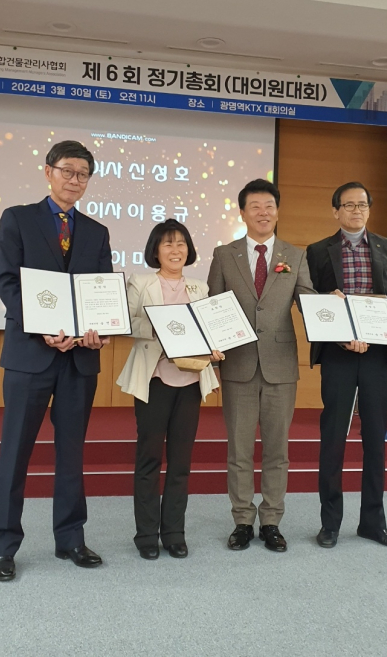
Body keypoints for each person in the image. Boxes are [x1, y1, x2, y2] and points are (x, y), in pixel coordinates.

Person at [0, 140, 112, 581]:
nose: (74, 180)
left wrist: (99, 331)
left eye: (83, 174)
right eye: (67, 171)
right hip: (30, 355)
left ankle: (71, 538)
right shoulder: (18, 218)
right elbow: (6, 281)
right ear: (48, 171)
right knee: (15, 452)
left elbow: (100, 292)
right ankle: (2, 547)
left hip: (79, 360)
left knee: (72, 454)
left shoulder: (96, 231)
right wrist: (41, 327)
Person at [207, 179, 315, 552]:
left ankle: (271, 521)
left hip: (280, 366)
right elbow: (213, 304)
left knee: (276, 450)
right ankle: (241, 520)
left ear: (277, 211)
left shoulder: (294, 255)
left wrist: (329, 306)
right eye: (255, 206)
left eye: (269, 206)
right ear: (242, 212)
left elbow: (307, 299)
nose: (263, 212)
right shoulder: (225, 255)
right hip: (237, 362)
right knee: (239, 449)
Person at [306, 182, 387, 549]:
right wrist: (335, 324)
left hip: (378, 353)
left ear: (369, 209)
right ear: (336, 211)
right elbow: (310, 300)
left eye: (362, 204)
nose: (356, 211)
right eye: (348, 205)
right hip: (338, 353)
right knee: (333, 438)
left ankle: (372, 523)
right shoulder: (318, 251)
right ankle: (330, 523)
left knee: (375, 440)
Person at [117, 219, 222, 560]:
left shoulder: (200, 288)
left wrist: (215, 346)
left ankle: (174, 533)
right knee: (149, 458)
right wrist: (160, 324)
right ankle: (146, 534)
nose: (175, 250)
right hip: (155, 379)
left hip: (190, 381)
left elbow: (210, 329)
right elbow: (126, 322)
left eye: (181, 244)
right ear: (156, 250)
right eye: (168, 244)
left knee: (181, 461)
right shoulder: (141, 282)